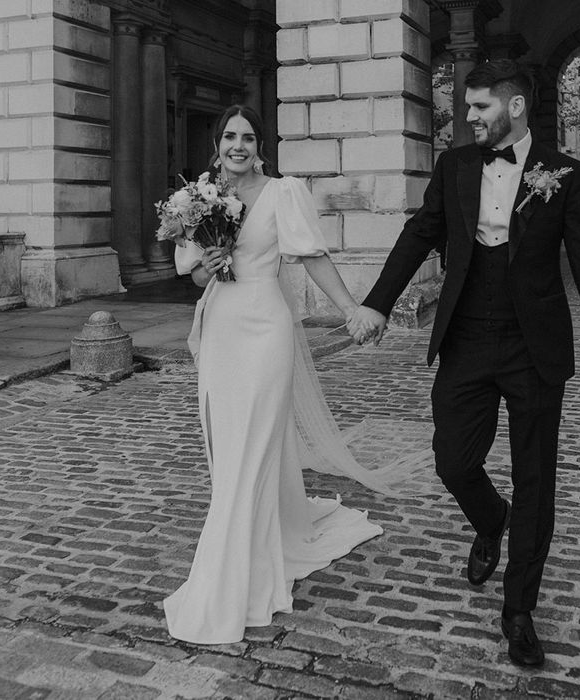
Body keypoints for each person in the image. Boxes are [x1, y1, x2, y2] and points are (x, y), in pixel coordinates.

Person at [348, 60, 580, 667]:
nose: (467, 117)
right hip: (467, 336)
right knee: (452, 458)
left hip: (535, 347)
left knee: (536, 480)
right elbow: (420, 234)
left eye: (478, 107)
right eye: (466, 107)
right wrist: (376, 303)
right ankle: (488, 516)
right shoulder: (455, 166)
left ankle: (519, 609)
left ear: (515, 107)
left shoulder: (566, 174)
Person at [163, 105, 433, 644]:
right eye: (229, 136)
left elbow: (311, 256)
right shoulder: (196, 199)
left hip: (266, 327)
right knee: (227, 439)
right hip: (221, 327)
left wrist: (352, 307)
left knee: (254, 443)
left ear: (260, 146)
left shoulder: (283, 193)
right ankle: (255, 531)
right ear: (217, 144)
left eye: (248, 137)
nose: (238, 145)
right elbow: (191, 275)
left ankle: (234, 568)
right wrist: (208, 262)